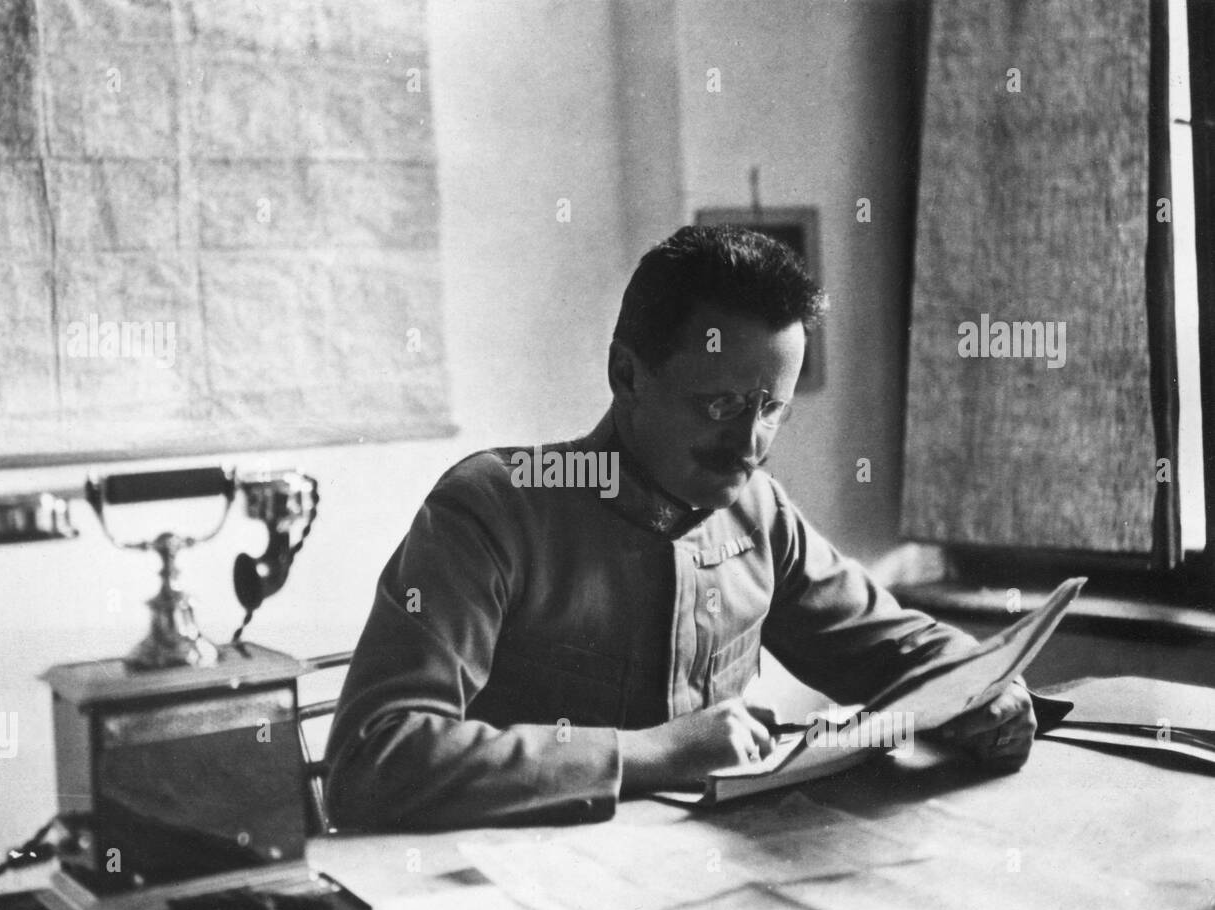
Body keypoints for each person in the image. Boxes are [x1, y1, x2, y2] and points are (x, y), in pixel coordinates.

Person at [324, 225, 1036, 830]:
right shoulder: (494, 510)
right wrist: (654, 753)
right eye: (721, 404)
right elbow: (371, 759)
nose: (750, 443)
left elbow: (897, 646)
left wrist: (983, 684)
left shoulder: (759, 514)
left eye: (772, 408)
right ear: (626, 374)